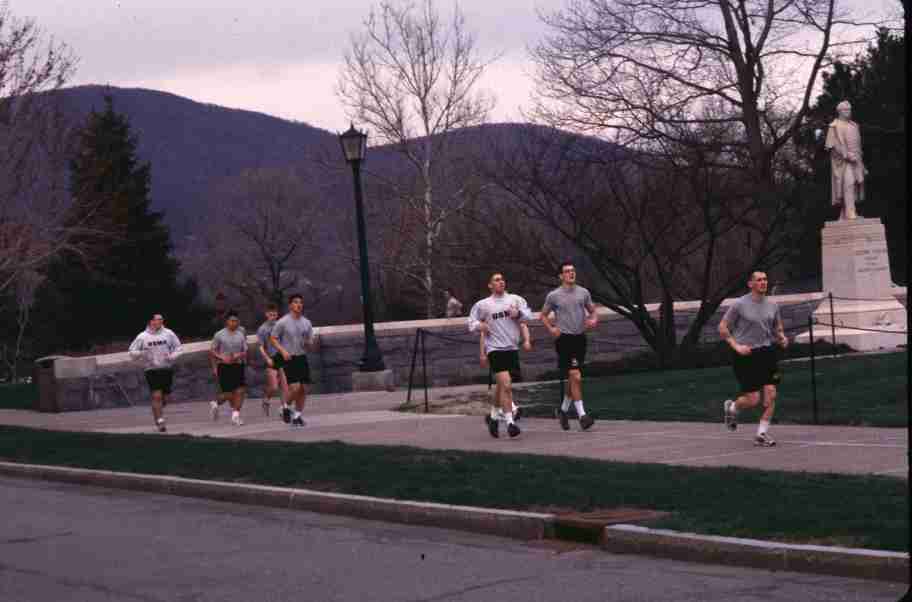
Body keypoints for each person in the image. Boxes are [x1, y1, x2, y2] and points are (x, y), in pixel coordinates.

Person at [720, 271, 788, 447]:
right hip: (745, 354)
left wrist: (781, 336)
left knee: (771, 394)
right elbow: (722, 327)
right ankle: (733, 407)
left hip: (766, 352)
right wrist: (736, 346)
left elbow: (777, 326)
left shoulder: (773, 305)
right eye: (759, 280)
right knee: (753, 400)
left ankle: (761, 434)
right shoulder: (739, 305)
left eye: (765, 279)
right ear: (750, 284)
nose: (763, 282)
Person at [468, 272, 532, 438]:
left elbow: (529, 316)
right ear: (490, 285)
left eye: (502, 279)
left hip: (511, 348)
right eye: (496, 280)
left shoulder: (515, 300)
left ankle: (494, 417)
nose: (501, 282)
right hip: (495, 349)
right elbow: (471, 322)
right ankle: (511, 423)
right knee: (507, 385)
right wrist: (480, 326)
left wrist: (518, 314)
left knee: (502, 386)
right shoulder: (483, 305)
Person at [540, 262, 598, 431]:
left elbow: (593, 311)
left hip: (580, 338)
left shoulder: (583, 292)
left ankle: (563, 410)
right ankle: (582, 416)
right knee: (576, 376)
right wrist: (551, 329)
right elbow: (543, 315)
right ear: (561, 276)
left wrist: (593, 319)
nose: (571, 273)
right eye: (567, 271)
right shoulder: (554, 296)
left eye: (573, 270)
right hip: (564, 339)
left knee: (574, 378)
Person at [270, 293, 319, 427]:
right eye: (296, 302)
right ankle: (285, 407)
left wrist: (310, 343)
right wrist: (283, 351)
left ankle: (297, 416)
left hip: (301, 356)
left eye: (300, 302)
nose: (299, 305)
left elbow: (310, 341)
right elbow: (273, 338)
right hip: (288, 357)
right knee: (295, 387)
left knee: (303, 388)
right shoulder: (283, 322)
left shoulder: (306, 322)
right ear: (290, 305)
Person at [128, 313, 182, 432]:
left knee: (165, 398)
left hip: (166, 369)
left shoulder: (169, 333)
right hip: (151, 370)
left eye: (162, 319)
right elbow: (131, 352)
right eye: (158, 319)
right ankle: (160, 422)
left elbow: (179, 348)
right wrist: (142, 353)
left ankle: (156, 409)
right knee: (156, 395)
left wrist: (172, 356)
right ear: (151, 321)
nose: (161, 321)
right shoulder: (142, 336)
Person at [825, 100, 867, 221]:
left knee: (853, 186)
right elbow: (832, 145)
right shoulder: (834, 126)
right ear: (839, 111)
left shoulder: (854, 125)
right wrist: (847, 155)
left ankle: (846, 213)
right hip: (844, 162)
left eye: (849, 109)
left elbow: (858, 147)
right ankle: (850, 213)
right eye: (845, 110)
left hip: (857, 161)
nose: (848, 112)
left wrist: (862, 164)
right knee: (848, 184)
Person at [209, 310, 249, 426]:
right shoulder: (219, 334)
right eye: (232, 321)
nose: (234, 323)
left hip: (238, 365)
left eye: (236, 321)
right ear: (227, 322)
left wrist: (239, 355)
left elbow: (245, 350)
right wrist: (219, 359)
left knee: (240, 391)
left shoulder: (241, 333)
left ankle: (235, 416)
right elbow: (212, 351)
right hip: (224, 367)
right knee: (229, 394)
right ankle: (215, 403)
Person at [256, 303, 288, 417]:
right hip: (271, 358)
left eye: (274, 315)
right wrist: (267, 358)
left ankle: (284, 408)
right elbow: (260, 346)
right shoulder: (262, 329)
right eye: (270, 315)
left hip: (281, 357)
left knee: (284, 385)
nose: (273, 317)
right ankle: (266, 399)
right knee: (274, 386)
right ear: (266, 315)